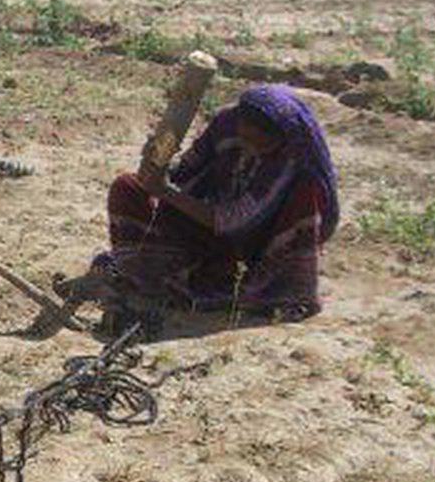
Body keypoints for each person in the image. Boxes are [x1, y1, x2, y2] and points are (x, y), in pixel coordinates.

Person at [77, 85, 339, 333]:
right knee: (128, 186)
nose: (252, 147)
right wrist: (157, 161)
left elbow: (235, 221)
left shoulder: (291, 158)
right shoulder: (225, 124)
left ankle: (258, 287)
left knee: (306, 195)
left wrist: (165, 191)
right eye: (246, 137)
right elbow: (186, 170)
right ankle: (147, 271)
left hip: (256, 243)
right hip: (208, 223)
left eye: (262, 144)